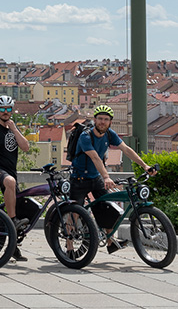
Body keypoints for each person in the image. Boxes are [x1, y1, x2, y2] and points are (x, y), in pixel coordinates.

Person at [69, 105, 156, 253]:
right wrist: (106, 177)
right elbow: (95, 158)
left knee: (107, 208)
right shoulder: (85, 136)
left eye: (106, 120)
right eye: (100, 119)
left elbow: (127, 150)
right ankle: (69, 245)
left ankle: (110, 241)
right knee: (74, 212)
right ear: (95, 120)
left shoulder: (109, 134)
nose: (103, 122)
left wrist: (145, 166)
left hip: (95, 178)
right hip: (79, 178)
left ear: (110, 122)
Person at [0, 94, 31, 261]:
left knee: (22, 205)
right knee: (9, 182)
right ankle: (12, 220)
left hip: (11, 172)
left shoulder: (12, 129)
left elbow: (26, 148)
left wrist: (15, 129)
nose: (5, 112)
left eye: (8, 109)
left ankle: (13, 249)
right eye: (2, 109)